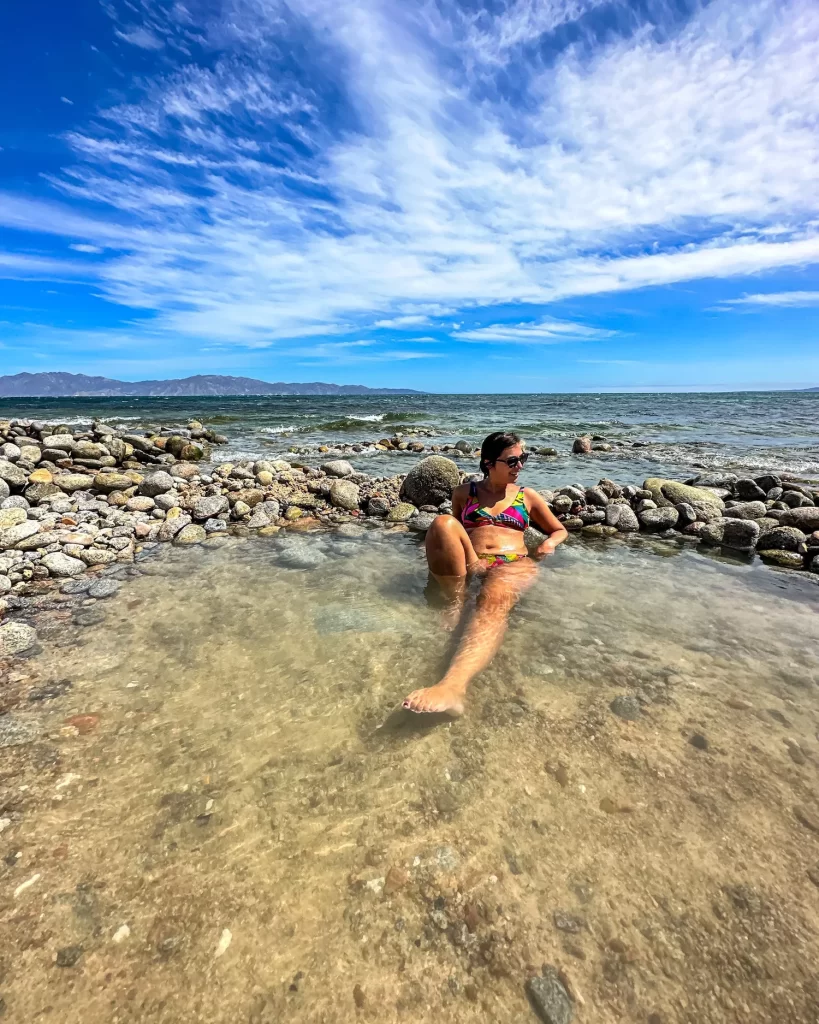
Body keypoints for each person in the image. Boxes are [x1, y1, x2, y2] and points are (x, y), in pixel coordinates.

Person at [403, 431, 568, 716]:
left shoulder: (526, 496)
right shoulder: (464, 493)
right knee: (442, 522)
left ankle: (453, 686)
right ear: (489, 463)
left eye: (522, 459)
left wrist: (549, 543)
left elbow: (559, 529)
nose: (520, 467)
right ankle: (456, 600)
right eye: (513, 461)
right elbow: (457, 531)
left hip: (513, 563)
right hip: (472, 560)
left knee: (491, 603)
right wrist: (469, 563)